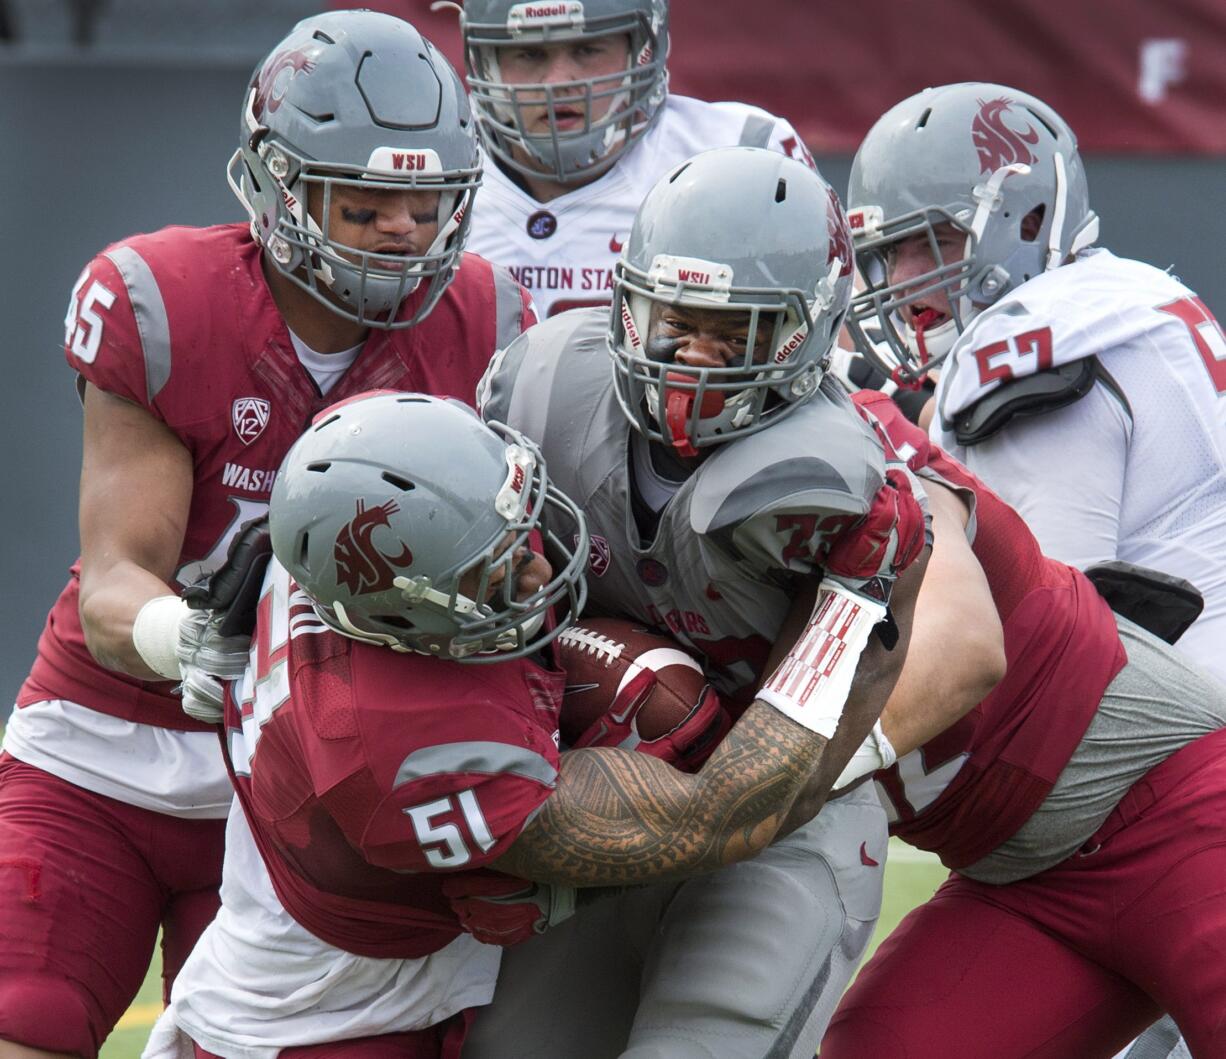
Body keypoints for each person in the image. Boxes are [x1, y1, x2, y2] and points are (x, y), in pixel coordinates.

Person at [0, 11, 534, 1058]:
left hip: (301, 792)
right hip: (106, 751)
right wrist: (187, 640)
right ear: (281, 186)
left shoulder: (486, 322)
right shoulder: (168, 299)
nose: (399, 232)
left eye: (423, 205)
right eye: (366, 202)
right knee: (32, 1021)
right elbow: (115, 579)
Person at [145, 388, 919, 1057]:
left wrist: (200, 604)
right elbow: (721, 815)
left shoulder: (349, 484)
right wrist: (850, 602)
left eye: (519, 531)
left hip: (290, 945)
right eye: (497, 570)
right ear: (400, 617)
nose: (541, 568)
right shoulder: (402, 749)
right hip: (335, 1017)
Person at [461, 147, 977, 1058]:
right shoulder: (540, 385)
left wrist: (538, 835)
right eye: (675, 321)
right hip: (589, 770)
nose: (694, 356)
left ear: (808, 332)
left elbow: (752, 796)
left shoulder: (847, 501)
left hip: (782, 822)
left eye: (734, 334)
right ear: (627, 301)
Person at [842, 80, 1226, 1057]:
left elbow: (1044, 634)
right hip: (1069, 841)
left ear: (1018, 215)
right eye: (887, 255)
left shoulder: (1032, 346)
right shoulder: (1135, 297)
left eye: (929, 247)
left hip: (1172, 782)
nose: (905, 281)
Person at [817, 387, 1226, 1057]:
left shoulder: (851, 447)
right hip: (1020, 882)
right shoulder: (660, 560)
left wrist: (754, 781)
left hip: (1181, 807)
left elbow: (964, 654)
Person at [451, 0, 819, 318]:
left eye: (588, 48)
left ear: (643, 48)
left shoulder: (739, 155)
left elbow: (829, 325)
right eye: (530, 53)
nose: (557, 80)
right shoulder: (444, 162)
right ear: (486, 60)